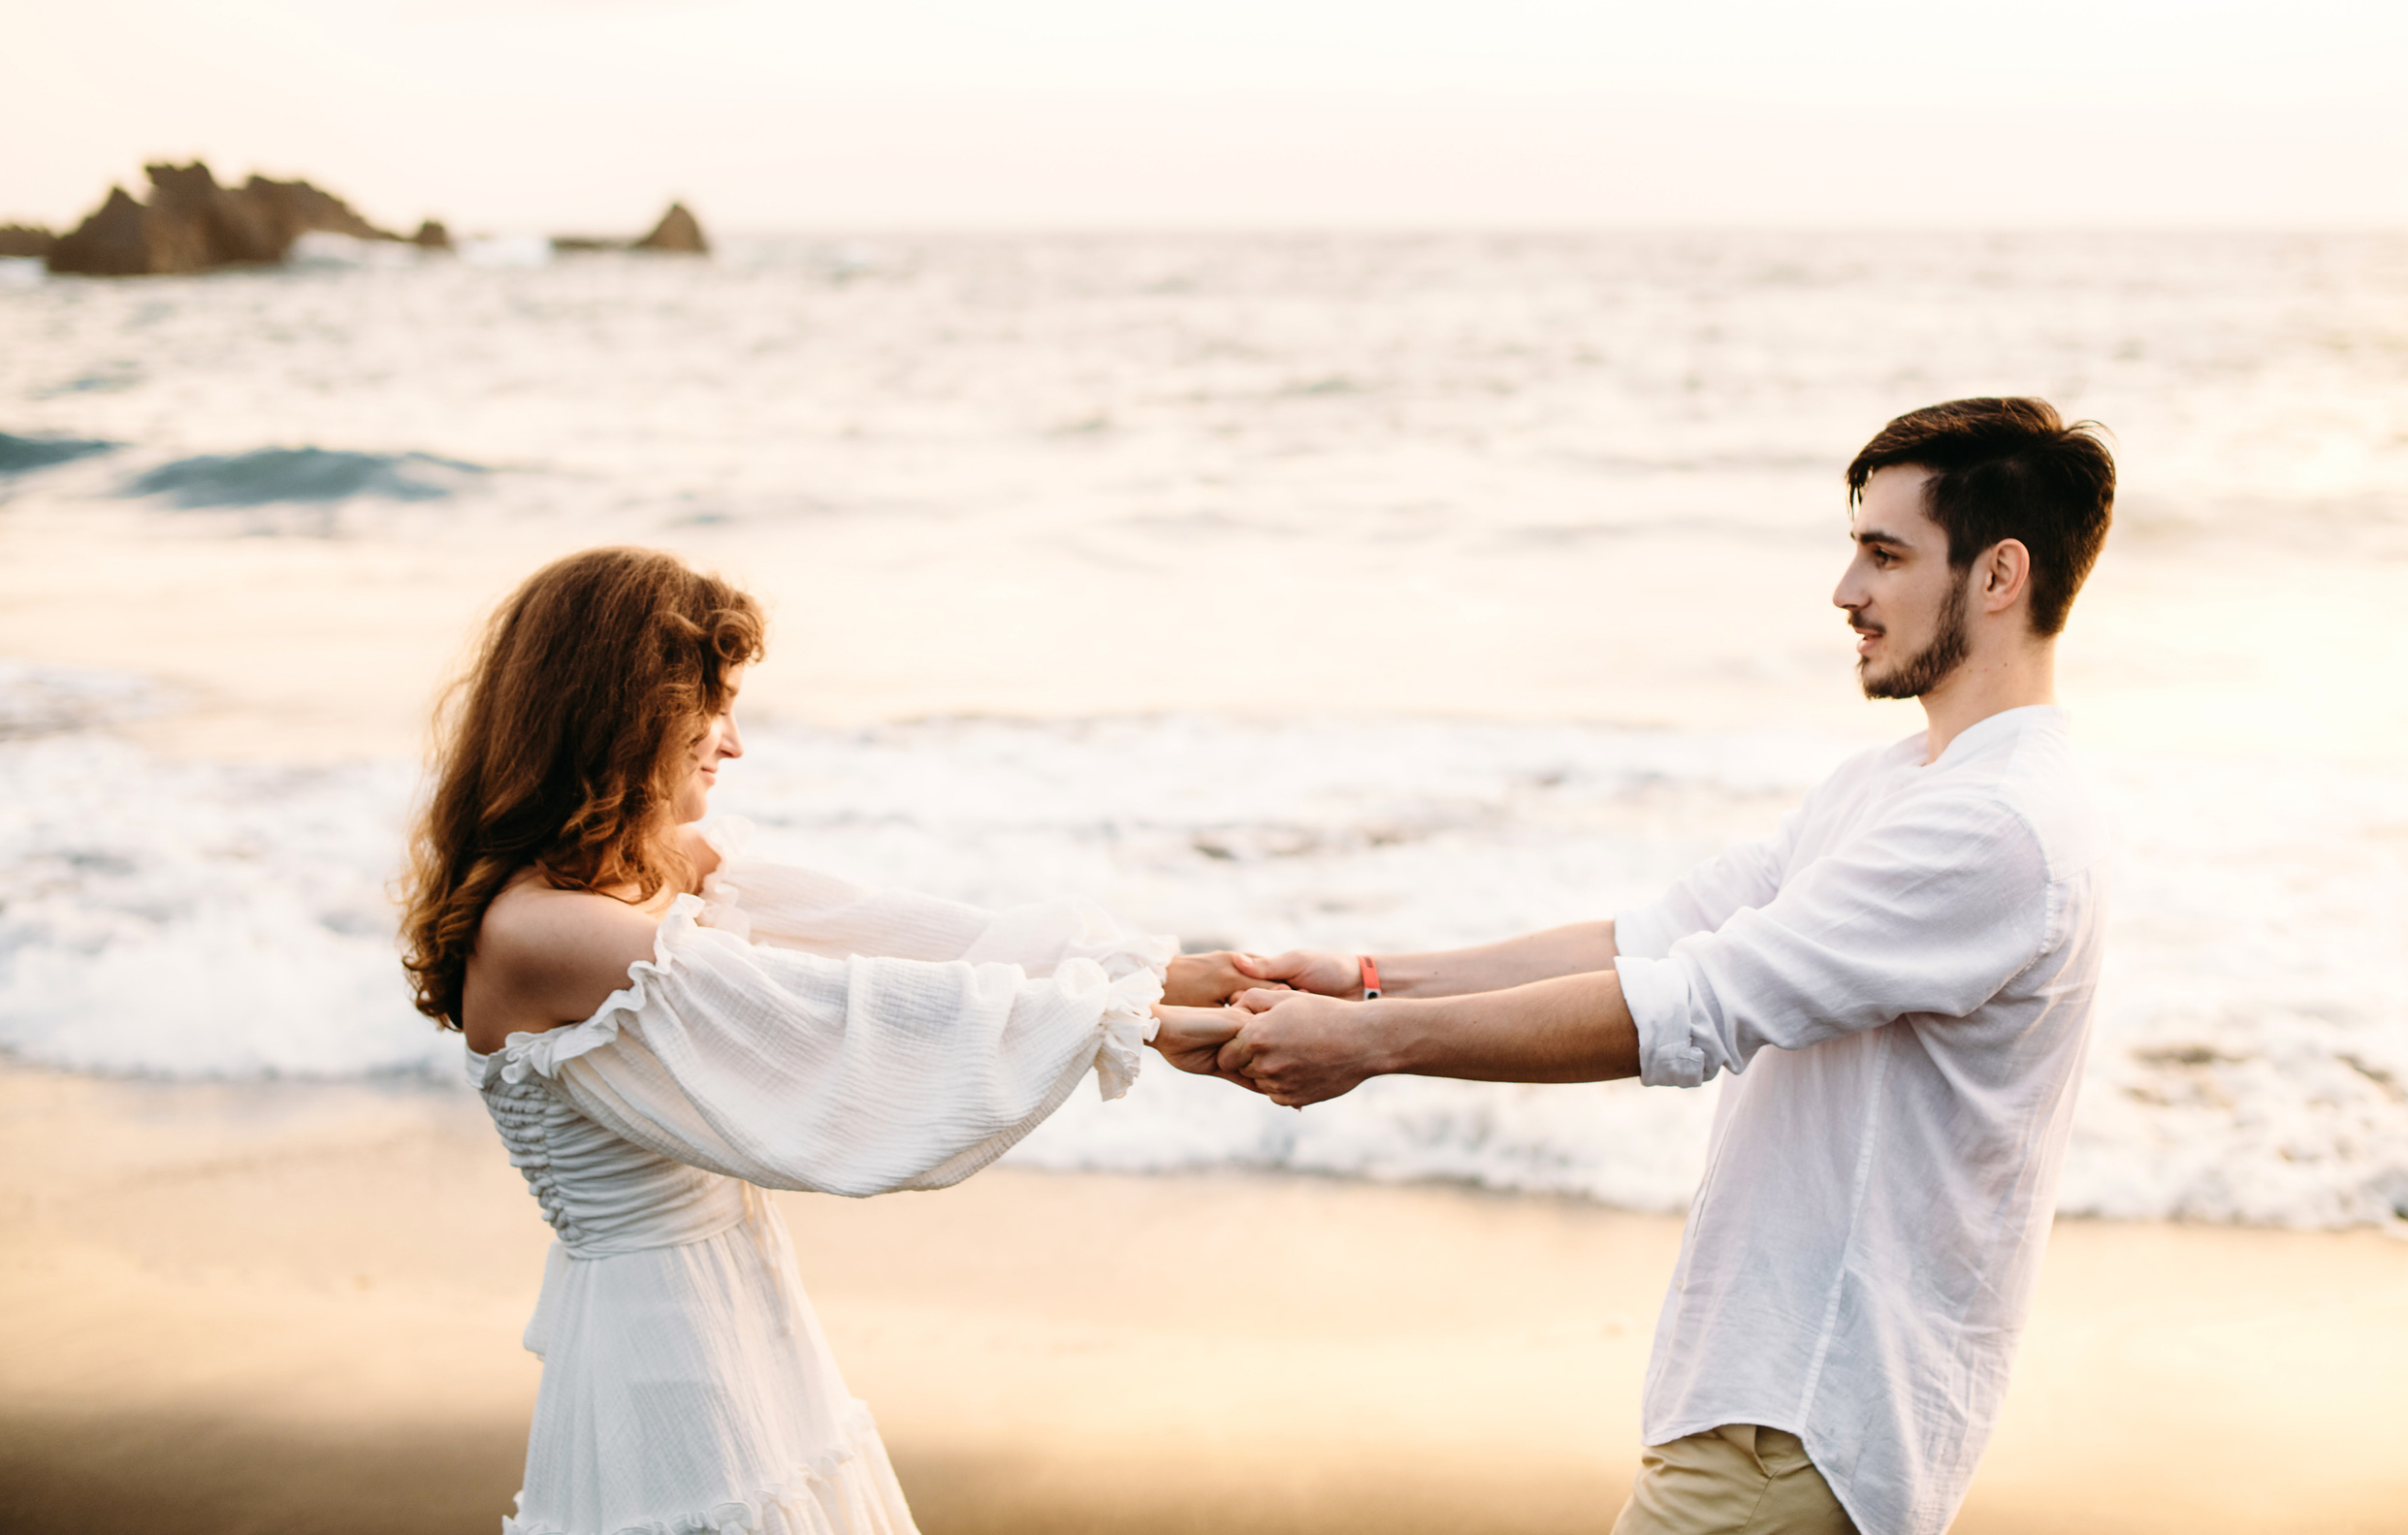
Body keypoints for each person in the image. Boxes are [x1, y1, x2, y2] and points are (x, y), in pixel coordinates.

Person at [1214, 398, 2117, 1535]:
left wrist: (1371, 1046)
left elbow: (1691, 1008)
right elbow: (1654, 938)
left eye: (1885, 556)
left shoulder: (1993, 826)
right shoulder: (1896, 786)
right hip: (1765, 1411)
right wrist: (1367, 979)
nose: (1845, 590)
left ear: (1998, 576)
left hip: (1804, 1422)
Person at [400, 546, 1251, 1535]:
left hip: (733, 1306)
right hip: (662, 1345)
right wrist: (1124, 1022)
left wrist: (1143, 972)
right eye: (714, 709)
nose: (733, 744)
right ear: (629, 715)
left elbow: (884, 934)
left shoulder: (632, 874)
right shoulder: (547, 930)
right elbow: (828, 1011)